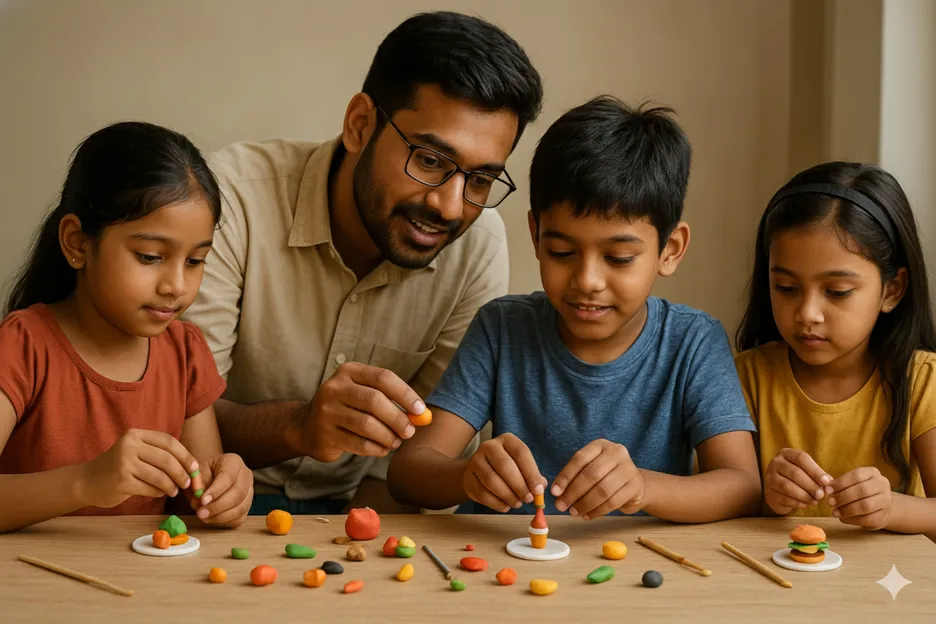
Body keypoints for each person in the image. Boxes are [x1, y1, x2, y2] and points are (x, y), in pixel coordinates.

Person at [182, 11, 543, 514]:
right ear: (360, 125)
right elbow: (179, 407)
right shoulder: (230, 200)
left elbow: (407, 461)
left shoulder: (477, 245)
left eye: (480, 180)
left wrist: (360, 547)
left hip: (359, 514)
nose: (450, 206)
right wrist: (299, 426)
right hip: (206, 504)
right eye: (431, 161)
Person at [386, 96, 762, 521]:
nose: (587, 281)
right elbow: (408, 472)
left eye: (619, 259)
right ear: (535, 234)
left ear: (669, 250)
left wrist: (643, 486)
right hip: (503, 569)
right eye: (562, 251)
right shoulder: (503, 327)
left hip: (634, 574)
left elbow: (743, 486)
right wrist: (466, 476)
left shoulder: (692, 342)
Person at [0, 121, 253, 532]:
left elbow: (200, 498)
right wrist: (86, 482)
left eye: (195, 261)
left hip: (143, 587)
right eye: (150, 256)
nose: (176, 285)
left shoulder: (185, 351)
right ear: (78, 243)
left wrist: (227, 490)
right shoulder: (23, 347)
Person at [734, 162, 936, 535]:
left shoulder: (924, 382)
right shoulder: (745, 376)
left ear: (891, 290)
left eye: (837, 292)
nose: (807, 314)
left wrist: (892, 508)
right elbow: (723, 508)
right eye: (786, 288)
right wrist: (768, 498)